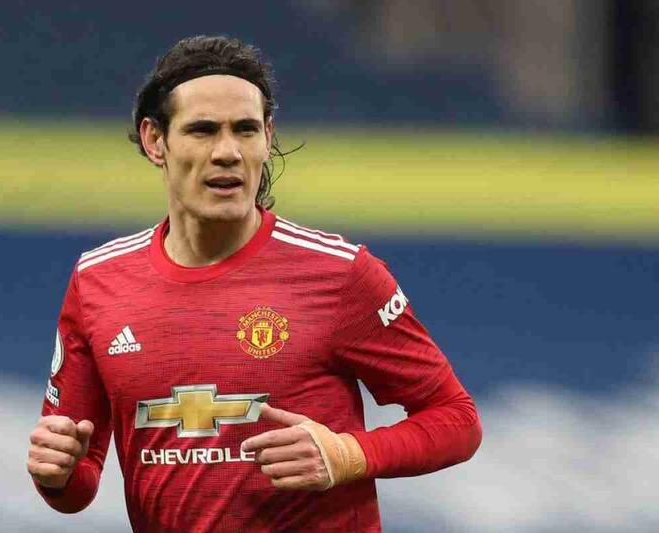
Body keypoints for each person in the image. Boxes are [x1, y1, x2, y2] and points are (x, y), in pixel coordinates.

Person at [26, 35, 482, 532]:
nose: (228, 152)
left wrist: (346, 454)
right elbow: (76, 483)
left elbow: (457, 420)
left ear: (267, 137)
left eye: (245, 130)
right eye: (203, 130)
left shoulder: (340, 274)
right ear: (156, 141)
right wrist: (57, 474)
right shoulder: (97, 280)